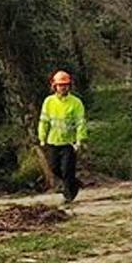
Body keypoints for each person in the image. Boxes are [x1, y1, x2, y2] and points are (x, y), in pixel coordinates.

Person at [38, 70, 87, 203]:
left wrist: (79, 140)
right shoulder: (48, 102)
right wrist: (42, 137)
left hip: (69, 142)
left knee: (67, 169)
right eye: (60, 85)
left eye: (65, 84)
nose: (63, 87)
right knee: (54, 168)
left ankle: (69, 195)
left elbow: (80, 123)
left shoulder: (76, 103)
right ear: (54, 86)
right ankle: (74, 183)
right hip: (53, 141)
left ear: (69, 86)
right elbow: (44, 121)